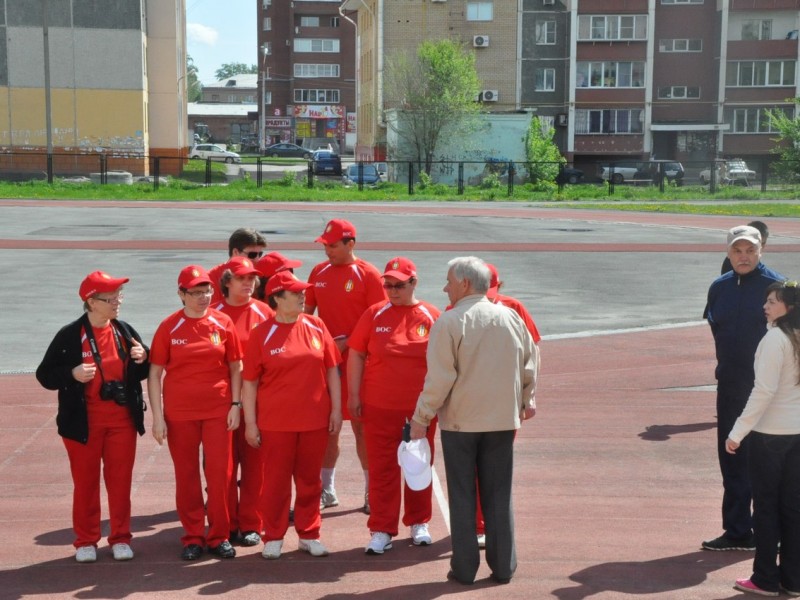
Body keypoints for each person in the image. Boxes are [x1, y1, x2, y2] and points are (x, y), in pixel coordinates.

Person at [409, 256, 538, 586]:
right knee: (498, 495)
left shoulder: (450, 321)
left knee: (463, 496)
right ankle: (504, 566)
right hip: (502, 420)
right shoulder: (510, 317)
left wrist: (421, 417)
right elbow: (529, 362)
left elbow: (439, 378)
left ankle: (464, 569)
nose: (445, 287)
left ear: (464, 283)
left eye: (449, 281)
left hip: (461, 423)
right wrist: (525, 400)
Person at [36, 271, 149, 563]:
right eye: (109, 298)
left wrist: (142, 358)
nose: (116, 303)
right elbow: (45, 374)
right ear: (90, 302)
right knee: (85, 484)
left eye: (118, 297)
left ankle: (121, 538)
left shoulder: (123, 330)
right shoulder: (70, 335)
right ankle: (86, 540)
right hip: (83, 424)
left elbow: (141, 372)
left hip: (121, 422)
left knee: (120, 482)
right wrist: (72, 375)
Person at [241, 270, 343, 560]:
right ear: (277, 298)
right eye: (296, 293)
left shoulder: (316, 325)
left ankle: (309, 534)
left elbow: (332, 370)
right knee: (275, 481)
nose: (302, 297)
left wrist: (335, 409)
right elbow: (249, 382)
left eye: (302, 292)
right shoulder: (262, 333)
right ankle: (273, 535)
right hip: (276, 423)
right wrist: (251, 423)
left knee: (311, 480)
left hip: (314, 420)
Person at [147, 265, 243, 561]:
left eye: (207, 291)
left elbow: (235, 366)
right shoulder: (169, 326)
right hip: (180, 413)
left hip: (218, 410)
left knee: (220, 474)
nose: (203, 297)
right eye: (196, 292)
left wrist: (236, 405)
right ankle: (192, 536)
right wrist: (158, 417)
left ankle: (218, 536)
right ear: (181, 294)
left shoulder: (223, 322)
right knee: (186, 475)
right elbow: (154, 374)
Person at [347, 257, 441, 555]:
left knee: (418, 465)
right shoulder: (374, 314)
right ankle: (381, 528)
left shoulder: (431, 316)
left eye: (399, 285)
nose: (392, 290)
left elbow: (444, 363)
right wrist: (354, 395)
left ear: (414, 282)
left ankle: (418, 522)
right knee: (382, 469)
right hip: (378, 405)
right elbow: (357, 354)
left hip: (420, 410)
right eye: (387, 285)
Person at [702, 225, 785, 552]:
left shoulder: (778, 288)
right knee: (733, 459)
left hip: (772, 392)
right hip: (732, 388)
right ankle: (738, 531)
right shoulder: (719, 288)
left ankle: (775, 534)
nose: (744, 256)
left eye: (750, 250)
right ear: (728, 253)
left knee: (772, 464)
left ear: (761, 250)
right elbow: (716, 329)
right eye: (738, 250)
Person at [304, 218, 387, 513]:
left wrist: (349, 343)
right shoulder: (318, 272)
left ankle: (370, 491)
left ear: (351, 244)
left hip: (359, 365)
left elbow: (381, 319)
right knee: (329, 428)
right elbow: (307, 315)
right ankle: (326, 489)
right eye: (325, 245)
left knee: (363, 430)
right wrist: (322, 344)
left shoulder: (369, 275)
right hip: (327, 365)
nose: (327, 250)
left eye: (333, 245)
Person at [726, 281, 800, 597]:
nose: (766, 306)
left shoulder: (775, 339)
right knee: (793, 509)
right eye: (767, 300)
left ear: (790, 307)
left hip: (770, 437)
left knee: (766, 509)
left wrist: (737, 432)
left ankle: (766, 578)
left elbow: (764, 391)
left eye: (773, 301)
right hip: (797, 435)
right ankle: (793, 579)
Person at [212, 256, 274, 546]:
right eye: (242, 278)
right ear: (227, 282)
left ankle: (251, 522)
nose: (249, 283)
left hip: (260, 402)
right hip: (222, 402)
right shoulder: (211, 312)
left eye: (252, 279)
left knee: (255, 464)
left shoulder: (264, 312)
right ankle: (226, 523)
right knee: (222, 467)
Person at [208, 228, 268, 303]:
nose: (257, 259)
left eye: (260, 254)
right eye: (252, 255)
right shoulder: (212, 278)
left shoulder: (261, 273)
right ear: (235, 252)